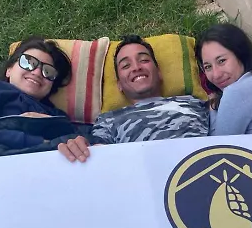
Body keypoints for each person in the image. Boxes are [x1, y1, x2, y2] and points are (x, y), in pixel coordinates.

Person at [58, 34, 208, 162]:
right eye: (125, 66)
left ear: (159, 73)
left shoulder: (192, 102)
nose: (136, 68)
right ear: (119, 85)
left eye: (144, 60)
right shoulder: (109, 120)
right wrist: (81, 147)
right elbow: (97, 153)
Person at [0, 36, 73, 149]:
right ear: (9, 69)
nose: (37, 73)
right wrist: (38, 142)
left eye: (48, 71)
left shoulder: (56, 115)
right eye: (28, 62)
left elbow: (80, 143)